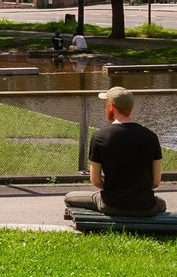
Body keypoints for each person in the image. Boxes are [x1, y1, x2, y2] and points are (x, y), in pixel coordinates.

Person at [64, 86, 166, 218]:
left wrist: (112, 188)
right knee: (161, 203)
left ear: (112, 107)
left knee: (69, 197)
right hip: (145, 206)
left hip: (111, 204)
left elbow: (95, 180)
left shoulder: (100, 137)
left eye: (106, 104)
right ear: (131, 108)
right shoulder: (151, 136)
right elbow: (156, 182)